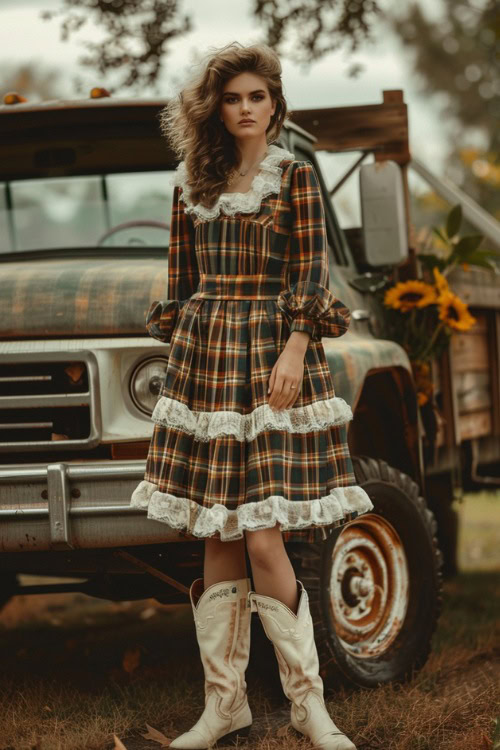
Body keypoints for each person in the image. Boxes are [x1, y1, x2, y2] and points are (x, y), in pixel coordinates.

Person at [131, 41, 374, 750]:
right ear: (217, 107)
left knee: (264, 536)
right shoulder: (192, 184)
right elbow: (179, 285)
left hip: (272, 356)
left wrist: (297, 345)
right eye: (233, 98)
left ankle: (309, 706)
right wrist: (183, 368)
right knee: (219, 532)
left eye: (257, 97)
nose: (245, 109)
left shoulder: (292, 176)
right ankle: (224, 706)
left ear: (275, 104)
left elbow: (311, 272)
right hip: (208, 359)